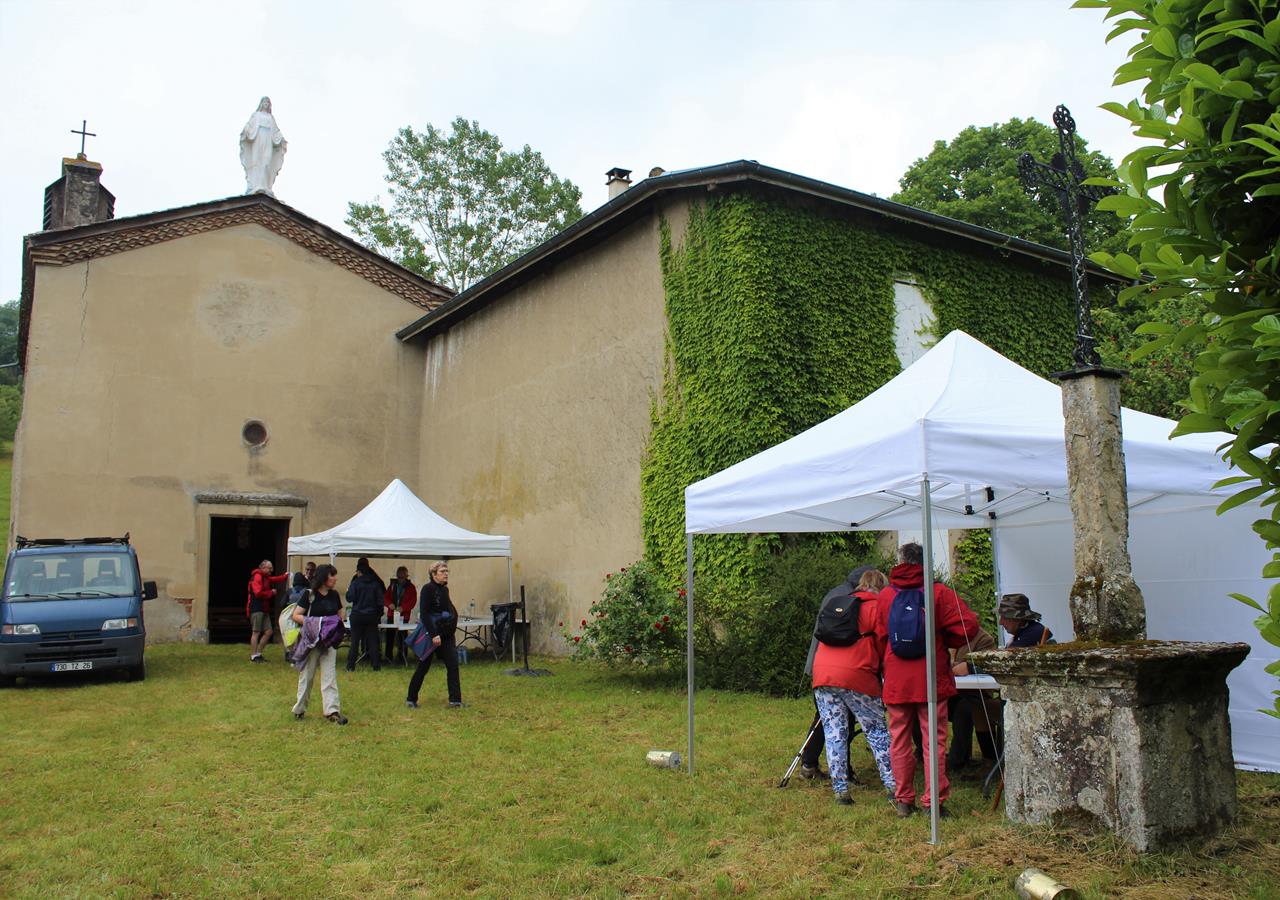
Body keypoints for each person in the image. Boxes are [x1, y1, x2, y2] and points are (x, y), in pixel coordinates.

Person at [875, 542, 979, 818]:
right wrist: (944, 640)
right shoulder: (938, 592)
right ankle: (934, 801)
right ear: (925, 562)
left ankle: (903, 800)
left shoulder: (886, 595)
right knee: (934, 741)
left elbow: (879, 635)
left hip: (897, 677)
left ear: (900, 561)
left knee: (898, 739)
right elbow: (967, 628)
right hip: (930, 675)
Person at [812, 569, 896, 806]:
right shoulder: (878, 607)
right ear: (882, 586)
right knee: (876, 731)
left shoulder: (842, 604)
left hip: (823, 673)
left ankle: (840, 790)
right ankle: (893, 786)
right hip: (857, 675)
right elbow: (884, 646)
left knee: (834, 732)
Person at [799, 565, 875, 780]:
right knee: (843, 719)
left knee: (825, 716)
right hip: (839, 669)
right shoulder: (852, 599)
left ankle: (809, 764)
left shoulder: (835, 593)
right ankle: (841, 772)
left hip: (821, 665)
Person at [291, 563, 348, 724]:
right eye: (332, 575)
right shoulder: (309, 595)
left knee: (329, 676)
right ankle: (300, 709)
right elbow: (296, 615)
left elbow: (340, 612)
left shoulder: (334, 595)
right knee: (307, 676)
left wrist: (336, 622)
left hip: (328, 641)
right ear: (323, 577)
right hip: (311, 642)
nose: (335, 578)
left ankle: (332, 711)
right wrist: (317, 623)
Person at [406, 561, 462, 708]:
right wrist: (433, 634)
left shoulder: (445, 590)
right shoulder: (427, 589)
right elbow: (424, 614)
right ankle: (411, 698)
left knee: (453, 664)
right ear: (433, 574)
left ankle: (455, 700)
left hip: (446, 633)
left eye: (447, 571)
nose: (446, 574)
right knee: (423, 667)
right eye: (442, 571)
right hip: (432, 634)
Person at [947, 625, 1000, 771]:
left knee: (965, 708)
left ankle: (958, 760)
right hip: (951, 691)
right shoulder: (946, 635)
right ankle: (922, 753)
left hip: (974, 694)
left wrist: (969, 667)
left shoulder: (984, 639)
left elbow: (990, 665)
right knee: (919, 704)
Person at [345, 557, 386, 672]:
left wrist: (349, 590)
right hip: (371, 615)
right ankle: (376, 666)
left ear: (359, 571)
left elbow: (349, 598)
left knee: (354, 641)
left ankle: (350, 666)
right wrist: (378, 613)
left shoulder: (356, 582)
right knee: (373, 641)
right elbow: (380, 600)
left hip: (357, 614)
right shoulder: (375, 582)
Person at [246, 559, 288, 663]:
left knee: (269, 632)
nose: (271, 570)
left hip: (264, 609)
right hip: (256, 608)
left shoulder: (265, 577)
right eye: (269, 568)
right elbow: (258, 593)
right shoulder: (257, 577)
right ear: (263, 568)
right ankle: (253, 655)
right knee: (256, 632)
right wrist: (271, 593)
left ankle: (259, 653)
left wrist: (284, 577)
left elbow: (273, 579)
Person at [384, 566, 417, 662]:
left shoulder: (411, 588)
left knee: (402, 636)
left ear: (407, 576)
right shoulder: (392, 586)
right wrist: (389, 604)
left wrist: (403, 608)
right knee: (389, 635)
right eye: (399, 577)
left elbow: (413, 601)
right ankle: (388, 656)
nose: (400, 579)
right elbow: (385, 597)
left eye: (402, 577)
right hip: (391, 615)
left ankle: (402, 656)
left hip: (404, 616)